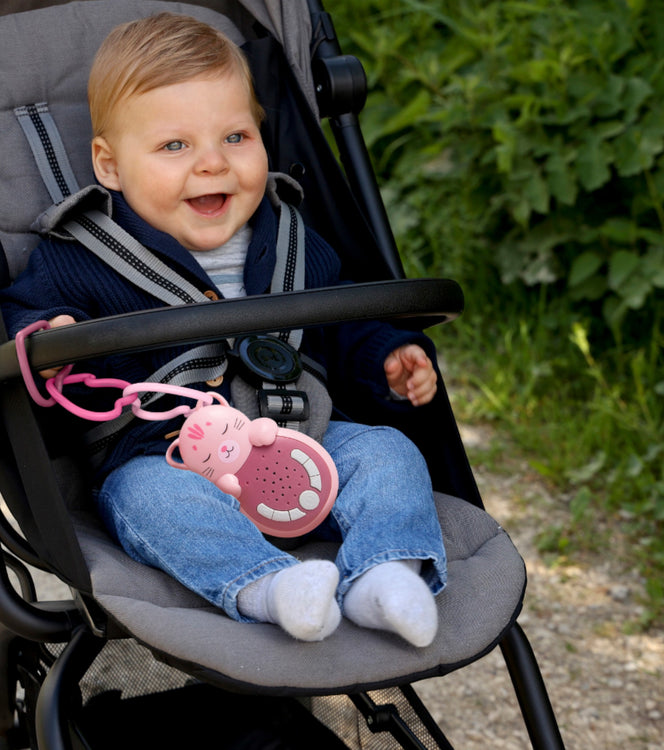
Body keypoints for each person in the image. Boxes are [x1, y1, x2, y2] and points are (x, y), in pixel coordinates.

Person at [1, 13, 447, 646]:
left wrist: (389, 354)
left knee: (389, 452)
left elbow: (343, 323)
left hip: (309, 441)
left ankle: (385, 573)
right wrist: (49, 336)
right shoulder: (79, 253)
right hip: (168, 456)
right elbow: (25, 311)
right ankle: (267, 587)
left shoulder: (293, 237)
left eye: (236, 136)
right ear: (110, 165)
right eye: (175, 146)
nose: (213, 164)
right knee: (146, 499)